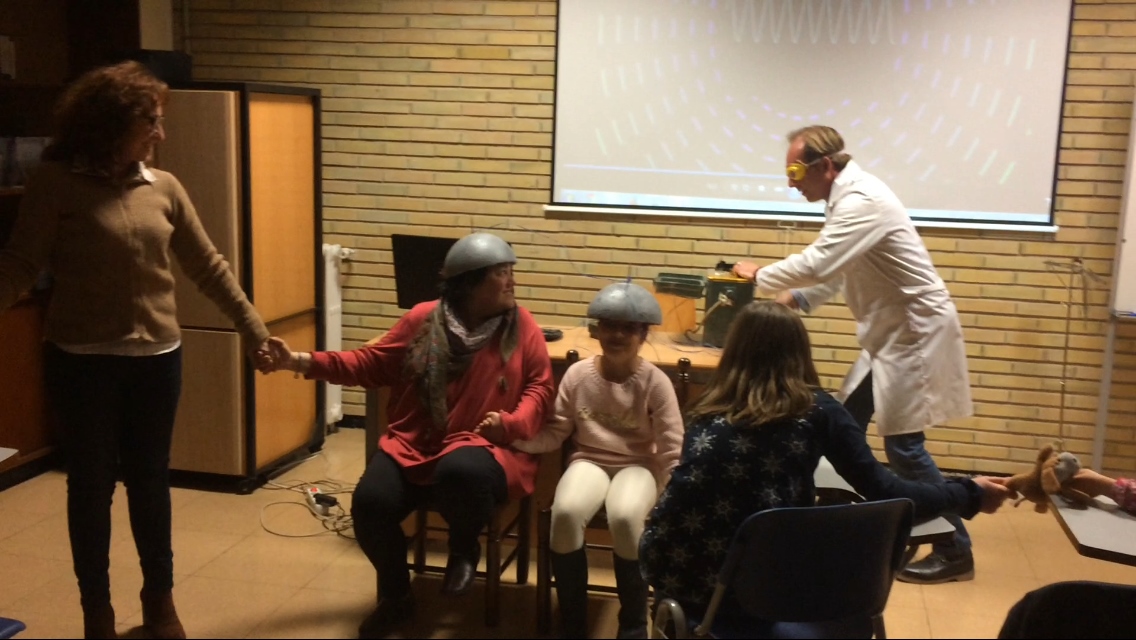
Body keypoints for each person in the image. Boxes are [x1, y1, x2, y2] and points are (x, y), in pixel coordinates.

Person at [0, 61, 273, 639]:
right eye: (151, 121)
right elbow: (21, 264)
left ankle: (159, 601)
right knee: (90, 488)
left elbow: (208, 265)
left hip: (157, 361)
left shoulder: (164, 187)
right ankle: (96, 611)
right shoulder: (55, 183)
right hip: (81, 361)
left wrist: (252, 328)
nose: (160, 133)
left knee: (150, 482)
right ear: (111, 122)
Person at [260, 231, 555, 639]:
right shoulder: (422, 320)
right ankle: (397, 596)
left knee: (461, 470)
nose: (512, 281)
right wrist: (297, 360)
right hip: (413, 444)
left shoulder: (521, 325)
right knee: (370, 503)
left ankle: (463, 546)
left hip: (483, 445)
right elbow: (368, 364)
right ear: (470, 283)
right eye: (502, 273)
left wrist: (512, 424)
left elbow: (540, 388)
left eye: (510, 272)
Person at [639, 301, 1011, 622]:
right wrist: (968, 492)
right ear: (800, 352)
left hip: (683, 590)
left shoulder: (704, 411)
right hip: (771, 596)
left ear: (735, 350)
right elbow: (887, 491)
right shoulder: (818, 410)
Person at [732, 125, 977, 584]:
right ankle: (843, 525)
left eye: (795, 172)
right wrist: (799, 298)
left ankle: (954, 549)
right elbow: (843, 269)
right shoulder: (844, 200)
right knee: (843, 424)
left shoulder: (862, 200)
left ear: (825, 166)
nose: (790, 183)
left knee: (904, 446)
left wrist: (761, 274)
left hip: (914, 333)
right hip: (891, 334)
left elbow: (821, 261)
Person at [512, 282, 684, 639]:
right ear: (597, 329)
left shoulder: (655, 383)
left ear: (643, 334)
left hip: (639, 464)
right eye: (609, 326)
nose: (617, 335)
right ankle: (573, 621)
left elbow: (671, 447)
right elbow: (557, 431)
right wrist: (515, 438)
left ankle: (633, 623)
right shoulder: (578, 375)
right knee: (565, 513)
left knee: (625, 515)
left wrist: (673, 495)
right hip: (588, 459)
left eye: (628, 328)